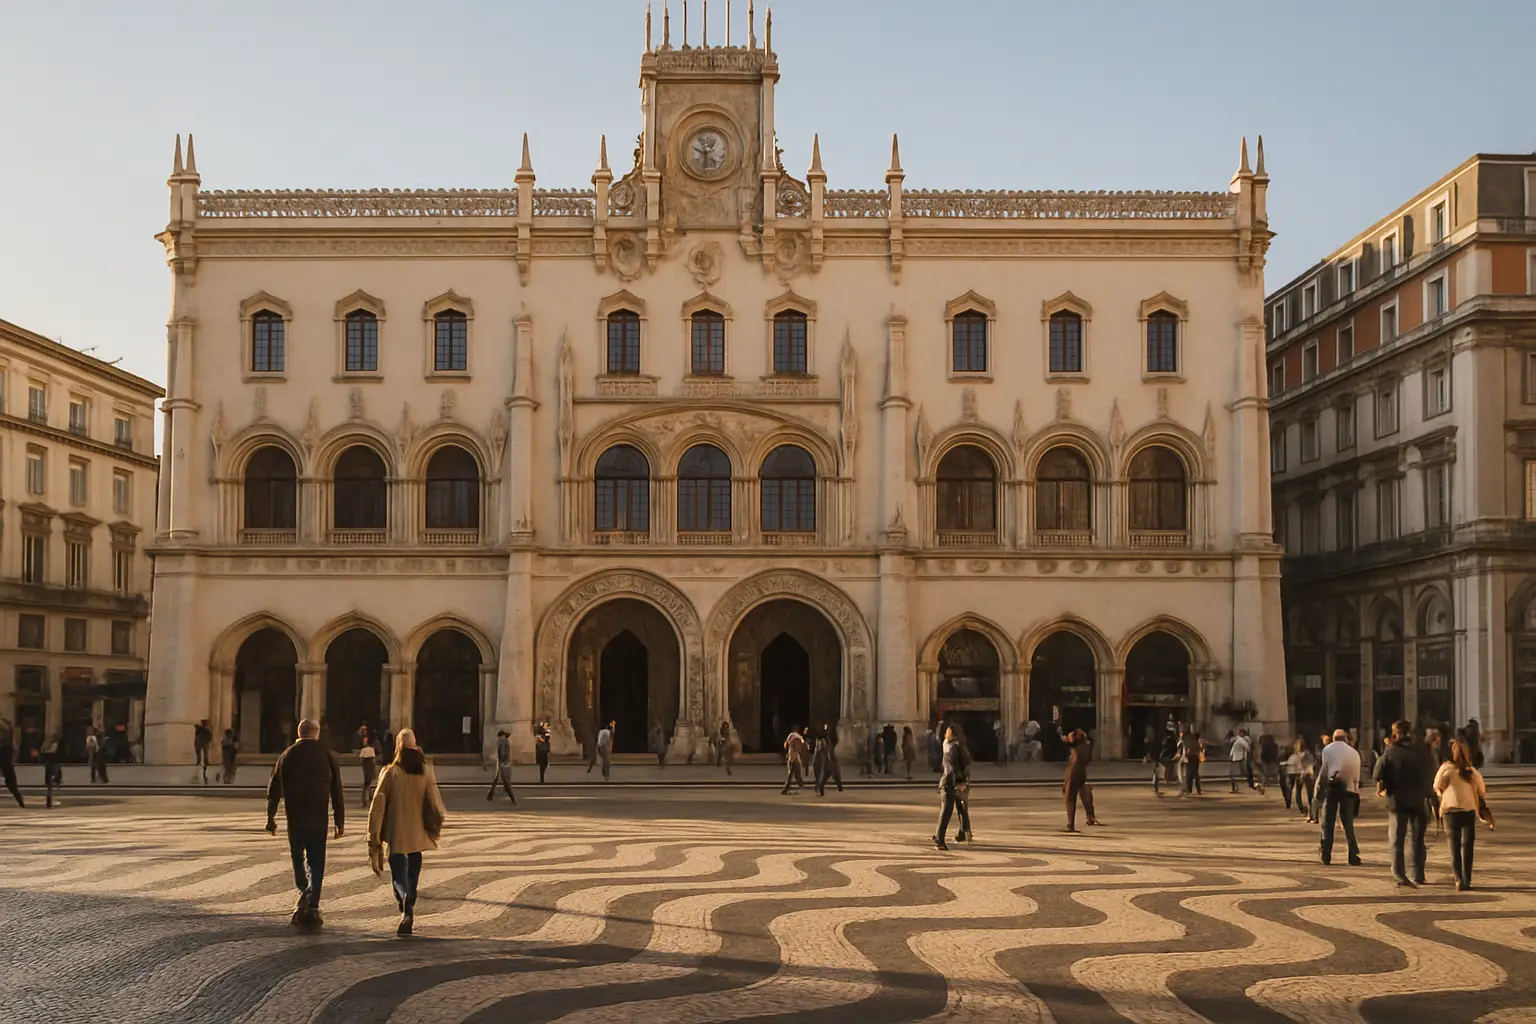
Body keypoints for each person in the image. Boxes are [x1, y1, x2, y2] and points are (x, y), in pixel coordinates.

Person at [264, 719, 345, 930]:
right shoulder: (327, 755)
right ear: (317, 733)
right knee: (317, 863)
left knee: (298, 858)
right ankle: (313, 903)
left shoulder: (288, 754)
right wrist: (339, 820)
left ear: (299, 733)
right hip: (319, 819)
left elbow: (274, 789)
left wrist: (270, 818)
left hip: (295, 818)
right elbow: (337, 789)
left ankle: (303, 890)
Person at [367, 727, 446, 937]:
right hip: (418, 832)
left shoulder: (391, 772)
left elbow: (377, 805)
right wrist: (437, 826)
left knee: (398, 873)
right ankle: (410, 899)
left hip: (396, 833)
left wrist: (373, 835)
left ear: (398, 746)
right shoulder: (425, 770)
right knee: (413, 869)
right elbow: (434, 801)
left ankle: (404, 901)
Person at [1374, 720, 1437, 887]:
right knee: (1417, 838)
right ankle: (1418, 873)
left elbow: (1378, 772)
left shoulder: (1391, 751)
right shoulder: (1423, 750)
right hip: (1418, 799)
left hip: (1398, 800)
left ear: (1395, 733)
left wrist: (1383, 787)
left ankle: (1399, 873)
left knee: (1397, 839)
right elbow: (1432, 772)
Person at [1434, 736, 1494, 891]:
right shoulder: (1471, 771)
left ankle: (1458, 879)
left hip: (1450, 811)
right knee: (1467, 846)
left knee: (1454, 846)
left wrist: (1445, 795)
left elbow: (1437, 787)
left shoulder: (1445, 769)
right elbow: (1482, 790)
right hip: (1468, 810)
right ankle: (1467, 879)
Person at [1317, 729, 1362, 866]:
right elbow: (1357, 776)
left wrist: (1318, 791)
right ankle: (1353, 854)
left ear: (1333, 738)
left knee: (1327, 822)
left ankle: (1326, 853)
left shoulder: (1328, 750)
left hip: (1333, 787)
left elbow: (1324, 771)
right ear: (1346, 738)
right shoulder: (1354, 752)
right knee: (1348, 823)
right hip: (1349, 789)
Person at [932, 726, 972, 850]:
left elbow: (951, 765)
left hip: (949, 780)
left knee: (950, 809)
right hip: (952, 781)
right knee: (950, 809)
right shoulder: (953, 746)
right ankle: (941, 839)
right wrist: (961, 781)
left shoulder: (949, 746)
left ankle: (945, 837)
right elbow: (955, 766)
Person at [1060, 718, 1101, 831]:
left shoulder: (1076, 752)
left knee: (1070, 798)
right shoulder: (1085, 748)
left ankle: (1070, 825)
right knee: (1085, 794)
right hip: (1081, 773)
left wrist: (1066, 783)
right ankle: (1091, 817)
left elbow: (1071, 769)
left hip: (1074, 774)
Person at [487, 730, 516, 803]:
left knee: (504, 781)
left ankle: (512, 797)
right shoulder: (506, 741)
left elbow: (502, 753)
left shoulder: (502, 741)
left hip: (502, 763)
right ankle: (490, 795)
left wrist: (501, 762)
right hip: (504, 763)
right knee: (498, 780)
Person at [812, 729, 843, 796]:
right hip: (831, 763)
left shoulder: (824, 745)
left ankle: (821, 791)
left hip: (828, 764)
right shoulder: (829, 745)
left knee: (824, 778)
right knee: (833, 776)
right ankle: (839, 787)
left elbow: (822, 752)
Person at [0, 720, 23, 808]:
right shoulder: (8, 741)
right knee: (11, 783)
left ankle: (20, 800)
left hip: (5, 759)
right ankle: (20, 800)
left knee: (11, 782)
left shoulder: (7, 741)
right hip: (6, 760)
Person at [781, 726, 808, 795]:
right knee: (793, 775)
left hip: (793, 758)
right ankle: (788, 789)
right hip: (794, 759)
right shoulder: (797, 738)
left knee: (796, 774)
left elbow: (786, 745)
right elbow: (800, 747)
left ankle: (800, 786)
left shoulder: (791, 737)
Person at [1154, 724, 1179, 796]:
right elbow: (1174, 748)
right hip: (1166, 756)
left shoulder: (1165, 740)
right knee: (1165, 768)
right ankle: (1166, 779)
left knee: (1158, 772)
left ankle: (1158, 787)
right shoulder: (1171, 740)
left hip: (1162, 756)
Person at [1178, 728, 1203, 795]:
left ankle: (1189, 790)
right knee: (1194, 775)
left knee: (1189, 775)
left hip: (1191, 758)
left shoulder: (1189, 740)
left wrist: (1186, 755)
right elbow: (1200, 749)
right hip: (1194, 758)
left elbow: (1188, 750)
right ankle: (1197, 790)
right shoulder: (1194, 741)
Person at [1227, 729, 1253, 793]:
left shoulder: (1241, 740)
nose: (1238, 733)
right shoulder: (1238, 739)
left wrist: (1246, 754)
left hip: (1238, 758)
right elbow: (1233, 747)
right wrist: (1231, 755)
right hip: (1236, 758)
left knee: (1234, 773)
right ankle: (1235, 787)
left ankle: (1235, 788)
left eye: (1239, 732)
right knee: (1234, 773)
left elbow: (1247, 747)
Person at [359, 730, 379, 807]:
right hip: (368, 767)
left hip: (367, 767)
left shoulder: (365, 750)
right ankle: (369, 799)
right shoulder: (370, 750)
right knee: (368, 784)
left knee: (367, 784)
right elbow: (373, 760)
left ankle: (366, 800)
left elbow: (361, 760)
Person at [194, 719, 213, 784]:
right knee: (201, 753)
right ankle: (200, 761)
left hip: (204, 742)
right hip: (202, 742)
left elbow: (210, 736)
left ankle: (204, 762)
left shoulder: (206, 729)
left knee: (205, 753)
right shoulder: (201, 729)